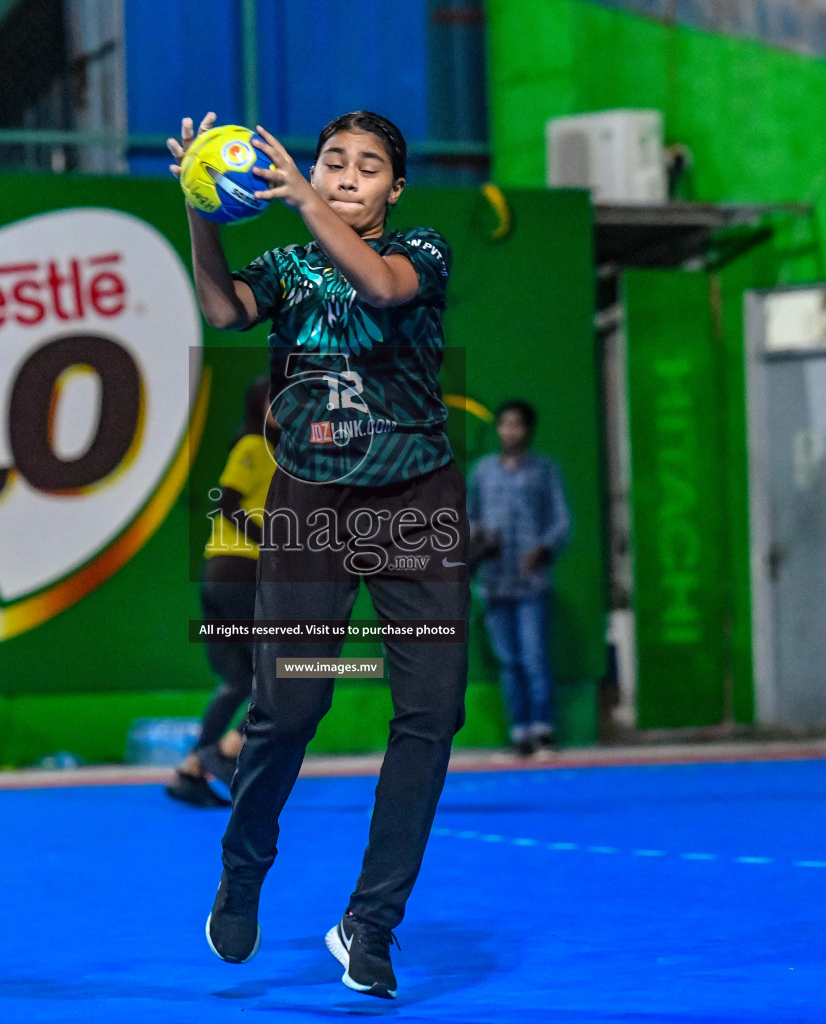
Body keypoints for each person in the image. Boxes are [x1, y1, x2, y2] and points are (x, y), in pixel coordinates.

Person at [168, 110, 466, 1000]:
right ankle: (245, 863)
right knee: (291, 707)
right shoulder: (290, 267)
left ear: (394, 188)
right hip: (312, 505)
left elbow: (378, 287)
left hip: (415, 500)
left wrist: (297, 195)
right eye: (332, 161)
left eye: (365, 167)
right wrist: (198, 206)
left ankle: (369, 924)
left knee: (430, 714)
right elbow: (222, 309)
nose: (344, 175)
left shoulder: (423, 250)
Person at [166, 377, 276, 808]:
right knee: (282, 674)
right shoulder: (253, 447)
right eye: (275, 399)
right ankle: (222, 752)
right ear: (257, 405)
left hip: (221, 573)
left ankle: (190, 771)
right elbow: (227, 503)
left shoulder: (281, 452)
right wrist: (267, 541)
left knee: (237, 680)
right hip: (237, 571)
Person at [468, 400, 571, 757]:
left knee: (534, 657)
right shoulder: (482, 471)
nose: (510, 431)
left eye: (517, 424)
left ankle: (544, 731)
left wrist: (543, 548)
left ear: (528, 429)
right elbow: (468, 517)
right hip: (494, 581)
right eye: (504, 424)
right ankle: (521, 733)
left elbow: (561, 521)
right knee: (508, 661)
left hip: (530, 582)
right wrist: (478, 539)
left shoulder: (544, 471)